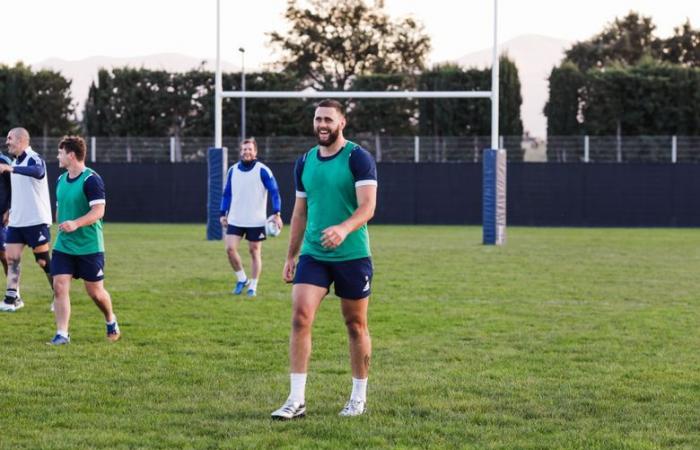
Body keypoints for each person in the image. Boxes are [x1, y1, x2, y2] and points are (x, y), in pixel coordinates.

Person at [271, 99, 377, 420]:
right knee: (300, 317)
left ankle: (358, 396)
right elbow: (300, 211)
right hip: (314, 254)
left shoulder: (358, 158)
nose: (322, 125)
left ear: (342, 122)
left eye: (329, 119)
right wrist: (291, 254)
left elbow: (368, 207)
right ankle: (296, 399)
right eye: (318, 119)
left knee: (355, 325)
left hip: (352, 255)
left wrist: (344, 229)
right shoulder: (304, 162)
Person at [48, 136, 120, 345]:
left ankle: (110, 319)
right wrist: (62, 223)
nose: (58, 156)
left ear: (71, 155)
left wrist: (76, 223)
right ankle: (62, 334)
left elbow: (99, 211)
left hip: (89, 246)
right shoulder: (61, 180)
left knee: (95, 293)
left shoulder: (91, 179)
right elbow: (60, 208)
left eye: (60, 152)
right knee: (59, 286)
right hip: (64, 245)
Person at [219, 138, 282, 297]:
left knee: (254, 252)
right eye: (244, 149)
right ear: (240, 152)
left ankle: (253, 286)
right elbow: (227, 194)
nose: (247, 152)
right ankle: (242, 279)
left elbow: (274, 192)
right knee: (230, 249)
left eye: (250, 149)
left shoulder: (263, 170)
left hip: (256, 220)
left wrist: (277, 213)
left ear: (255, 152)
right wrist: (222, 213)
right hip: (235, 218)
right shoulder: (233, 170)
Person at [0, 127, 53, 312]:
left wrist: (10, 168)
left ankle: (59, 294)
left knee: (43, 261)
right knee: (12, 258)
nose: (7, 142)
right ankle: (11, 299)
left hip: (36, 220)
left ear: (22, 140)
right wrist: (10, 210)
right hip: (17, 221)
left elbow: (38, 171)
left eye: (10, 138)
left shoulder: (34, 158)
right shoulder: (14, 161)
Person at [0, 151, 12, 275]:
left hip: (1, 216)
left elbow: (14, 186)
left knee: (4, 255)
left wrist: (9, 209)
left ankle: (14, 291)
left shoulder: (4, 161)